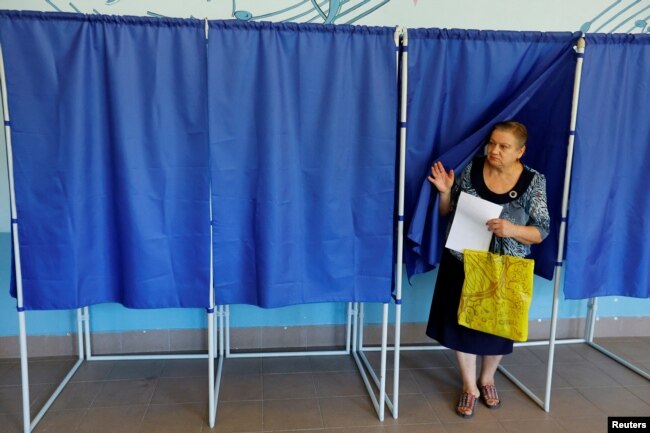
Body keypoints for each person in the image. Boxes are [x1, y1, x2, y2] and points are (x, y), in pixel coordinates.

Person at [425, 121, 550, 418]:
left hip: (505, 268)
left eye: (504, 146)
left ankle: (487, 378)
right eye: (492, 143)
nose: (494, 150)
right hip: (465, 261)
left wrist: (512, 229)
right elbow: (449, 213)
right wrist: (444, 192)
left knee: (498, 327)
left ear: (520, 151)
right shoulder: (473, 168)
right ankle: (469, 386)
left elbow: (542, 229)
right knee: (460, 326)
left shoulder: (533, 181)